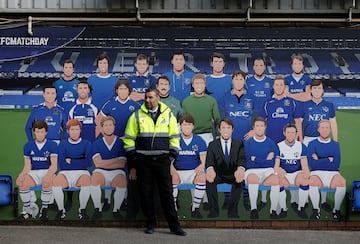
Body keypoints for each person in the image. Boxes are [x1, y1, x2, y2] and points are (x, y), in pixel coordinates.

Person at [123, 87, 186, 236]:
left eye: (150, 97)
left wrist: (172, 155)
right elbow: (128, 138)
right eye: (146, 97)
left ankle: (174, 226)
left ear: (158, 98)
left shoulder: (169, 115)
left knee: (167, 194)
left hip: (163, 161)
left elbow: (175, 137)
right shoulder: (137, 115)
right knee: (146, 194)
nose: (147, 100)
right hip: (144, 161)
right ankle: (150, 224)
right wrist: (134, 157)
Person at [95, 79, 140, 217]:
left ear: (129, 91)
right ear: (116, 91)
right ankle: (107, 199)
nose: (123, 91)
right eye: (120, 89)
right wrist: (106, 136)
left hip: (130, 143)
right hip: (113, 142)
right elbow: (99, 121)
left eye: (125, 89)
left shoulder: (135, 105)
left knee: (128, 171)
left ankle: (126, 200)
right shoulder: (110, 104)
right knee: (111, 169)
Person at [17, 120, 58, 220]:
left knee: (48, 181)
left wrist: (48, 176)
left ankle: (44, 210)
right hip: (34, 172)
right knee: (22, 183)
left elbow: (54, 166)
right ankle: (27, 210)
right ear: (34, 132)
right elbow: (27, 166)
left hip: (47, 170)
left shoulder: (52, 145)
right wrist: (21, 175)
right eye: (37, 132)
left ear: (46, 132)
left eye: (42, 132)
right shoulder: (28, 146)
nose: (39, 134)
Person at [205, 118, 246, 219]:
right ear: (219, 130)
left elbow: (242, 159)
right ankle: (214, 211)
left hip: (233, 173)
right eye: (223, 128)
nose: (226, 130)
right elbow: (209, 161)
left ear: (232, 129)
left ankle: (232, 211)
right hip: (218, 174)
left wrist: (240, 169)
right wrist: (210, 169)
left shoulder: (238, 144)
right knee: (209, 180)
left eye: (228, 128)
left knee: (240, 180)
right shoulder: (212, 145)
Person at [52, 119, 92, 220]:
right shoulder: (62, 144)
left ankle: (82, 210)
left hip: (82, 173)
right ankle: (61, 210)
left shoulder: (87, 144)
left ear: (80, 130)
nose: (74, 132)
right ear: (68, 131)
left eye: (77, 129)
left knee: (87, 181)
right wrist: (79, 159)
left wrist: (71, 160)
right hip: (65, 173)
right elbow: (62, 164)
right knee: (56, 181)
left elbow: (87, 163)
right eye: (72, 129)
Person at [307, 120, 346, 221]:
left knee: (342, 182)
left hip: (332, 173)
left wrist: (319, 159)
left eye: (327, 128)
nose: (325, 130)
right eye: (322, 128)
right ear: (318, 129)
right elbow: (312, 164)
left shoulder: (335, 144)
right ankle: (316, 210)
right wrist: (327, 159)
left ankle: (336, 210)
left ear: (330, 130)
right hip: (316, 172)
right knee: (312, 181)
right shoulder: (312, 144)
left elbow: (336, 164)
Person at [90, 116, 127, 220]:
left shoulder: (120, 142)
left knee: (122, 181)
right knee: (94, 178)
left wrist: (104, 162)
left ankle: (116, 210)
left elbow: (122, 163)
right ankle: (98, 209)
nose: (108, 127)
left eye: (111, 125)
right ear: (102, 128)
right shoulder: (97, 143)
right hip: (101, 172)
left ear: (114, 127)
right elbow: (97, 164)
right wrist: (115, 160)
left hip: (117, 172)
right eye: (106, 125)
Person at [171, 114, 207, 219]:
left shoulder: (199, 140)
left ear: (193, 126)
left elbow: (203, 159)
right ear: (180, 126)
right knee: (172, 179)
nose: (187, 127)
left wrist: (201, 167)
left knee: (202, 178)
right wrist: (173, 172)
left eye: (189, 125)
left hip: (193, 171)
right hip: (178, 171)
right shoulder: (175, 140)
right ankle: (174, 210)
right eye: (184, 124)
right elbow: (169, 162)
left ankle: (195, 208)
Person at [244, 117, 280, 219]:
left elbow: (274, 161)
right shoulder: (248, 143)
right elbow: (248, 161)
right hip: (252, 171)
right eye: (257, 126)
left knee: (275, 180)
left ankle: (273, 210)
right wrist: (266, 160)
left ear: (265, 127)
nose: (259, 128)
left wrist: (256, 159)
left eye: (262, 126)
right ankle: (254, 209)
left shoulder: (271, 142)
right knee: (252, 179)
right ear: (253, 128)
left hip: (267, 171)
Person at [274, 124, 310, 219]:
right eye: (288, 132)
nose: (290, 135)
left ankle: (301, 208)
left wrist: (306, 172)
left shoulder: (302, 146)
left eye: (293, 132)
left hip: (296, 174)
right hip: (284, 174)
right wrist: (278, 169)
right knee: (278, 181)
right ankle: (283, 208)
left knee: (305, 180)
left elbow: (304, 165)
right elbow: (276, 165)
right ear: (284, 133)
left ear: (296, 134)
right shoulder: (278, 146)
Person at [295, 79, 338, 146]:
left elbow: (333, 123)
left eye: (319, 88)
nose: (317, 90)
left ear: (323, 90)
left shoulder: (329, 105)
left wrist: (335, 142)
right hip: (307, 140)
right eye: (314, 88)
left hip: (324, 140)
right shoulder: (303, 105)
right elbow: (299, 124)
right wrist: (299, 140)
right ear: (311, 90)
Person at [182, 73, 221, 146]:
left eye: (201, 83)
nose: (199, 85)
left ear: (205, 85)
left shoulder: (211, 100)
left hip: (207, 135)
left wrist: (218, 134)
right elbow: (182, 121)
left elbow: (217, 120)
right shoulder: (186, 102)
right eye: (196, 83)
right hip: (190, 135)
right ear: (193, 85)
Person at [259, 76, 300, 144]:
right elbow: (260, 121)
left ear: (285, 87)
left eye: (281, 85)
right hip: (271, 140)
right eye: (277, 85)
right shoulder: (267, 103)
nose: (279, 87)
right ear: (273, 86)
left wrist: (299, 138)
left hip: (288, 141)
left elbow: (297, 121)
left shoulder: (292, 102)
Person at [219, 70, 255, 142]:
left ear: (244, 81)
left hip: (248, 138)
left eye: (241, 79)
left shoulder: (252, 98)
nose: (238, 82)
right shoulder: (224, 98)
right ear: (232, 81)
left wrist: (254, 131)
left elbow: (257, 118)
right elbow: (221, 119)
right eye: (236, 79)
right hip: (230, 138)